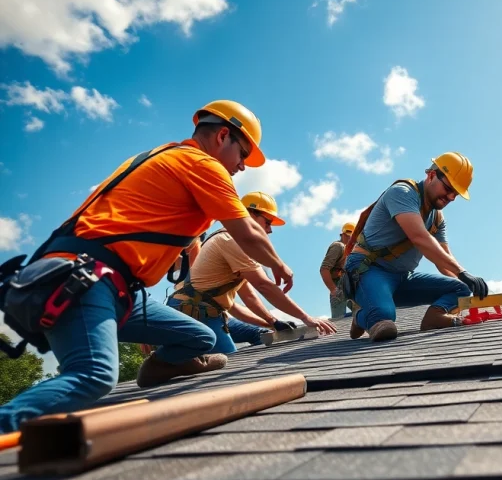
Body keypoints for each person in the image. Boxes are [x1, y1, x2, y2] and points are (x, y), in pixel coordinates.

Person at [0, 100, 295, 433]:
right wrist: (279, 265)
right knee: (94, 374)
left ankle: (158, 369)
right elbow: (248, 233)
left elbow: (181, 247)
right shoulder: (201, 164)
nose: (242, 165)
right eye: (242, 154)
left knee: (200, 337)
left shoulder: (166, 160)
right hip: (84, 281)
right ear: (222, 136)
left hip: (111, 288)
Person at [167, 191, 336, 357]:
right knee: (226, 365)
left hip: (202, 312)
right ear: (248, 214)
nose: (269, 230)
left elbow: (248, 298)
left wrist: (273, 322)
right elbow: (263, 285)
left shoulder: (235, 242)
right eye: (267, 222)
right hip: (193, 312)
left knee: (253, 338)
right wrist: (306, 317)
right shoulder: (231, 240)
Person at [342, 151, 490, 342]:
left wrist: (469, 287)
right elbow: (419, 237)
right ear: (431, 175)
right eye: (448, 188)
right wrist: (463, 272)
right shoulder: (402, 193)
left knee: (460, 289)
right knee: (384, 322)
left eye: (456, 194)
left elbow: (444, 258)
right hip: (369, 270)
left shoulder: (436, 218)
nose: (451, 197)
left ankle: (434, 317)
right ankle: (362, 316)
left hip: (402, 277)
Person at [321, 222, 355, 318]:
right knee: (339, 320)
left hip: (350, 285)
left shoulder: (352, 249)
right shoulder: (338, 246)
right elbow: (324, 269)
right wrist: (334, 290)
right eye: (347, 235)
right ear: (342, 234)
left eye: (352, 236)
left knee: (362, 315)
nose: (349, 238)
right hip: (339, 286)